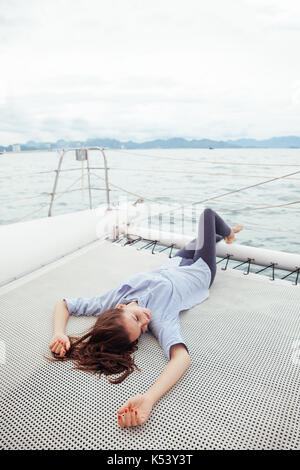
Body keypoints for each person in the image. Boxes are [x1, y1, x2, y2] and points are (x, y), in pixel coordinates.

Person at [48, 208, 243, 428]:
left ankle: (222, 235)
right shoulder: (160, 318)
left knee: (204, 237)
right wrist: (150, 398)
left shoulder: (111, 299)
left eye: (136, 318)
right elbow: (181, 358)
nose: (146, 320)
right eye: (142, 329)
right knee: (208, 216)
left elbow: (64, 305)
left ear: (120, 307)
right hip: (199, 272)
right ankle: (229, 234)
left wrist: (59, 333)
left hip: (175, 265)